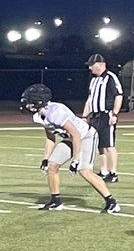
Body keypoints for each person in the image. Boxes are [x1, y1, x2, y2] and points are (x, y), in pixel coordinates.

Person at [20, 83, 119, 214]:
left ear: (38, 101)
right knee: (52, 165)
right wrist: (45, 159)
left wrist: (75, 160)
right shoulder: (38, 116)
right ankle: (55, 201)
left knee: (84, 171)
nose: (27, 105)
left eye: (30, 101)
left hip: (86, 136)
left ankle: (111, 202)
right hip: (70, 139)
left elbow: (76, 134)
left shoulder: (56, 112)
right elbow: (50, 138)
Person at [81, 53, 124, 182]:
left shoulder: (110, 77)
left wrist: (115, 114)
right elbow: (90, 99)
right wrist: (85, 116)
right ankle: (104, 171)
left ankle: (113, 173)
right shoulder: (94, 80)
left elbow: (119, 95)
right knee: (99, 145)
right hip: (95, 116)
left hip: (106, 114)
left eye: (91, 65)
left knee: (109, 144)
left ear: (100, 64)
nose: (90, 68)